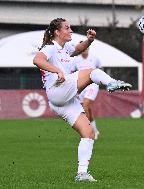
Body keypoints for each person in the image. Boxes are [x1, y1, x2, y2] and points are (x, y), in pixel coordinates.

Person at [33, 18, 132, 182]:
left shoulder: (65, 48)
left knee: (88, 133)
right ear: (57, 32)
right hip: (57, 91)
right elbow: (37, 60)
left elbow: (79, 49)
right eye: (67, 28)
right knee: (91, 72)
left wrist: (89, 40)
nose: (71, 30)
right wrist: (57, 70)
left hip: (63, 101)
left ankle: (82, 173)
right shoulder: (50, 47)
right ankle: (111, 83)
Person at [71, 43, 101, 140]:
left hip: (92, 85)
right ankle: (95, 131)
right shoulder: (76, 60)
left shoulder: (95, 58)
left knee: (86, 105)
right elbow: (71, 72)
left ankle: (89, 132)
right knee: (86, 109)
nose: (85, 50)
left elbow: (99, 70)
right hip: (81, 87)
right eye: (83, 48)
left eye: (87, 48)